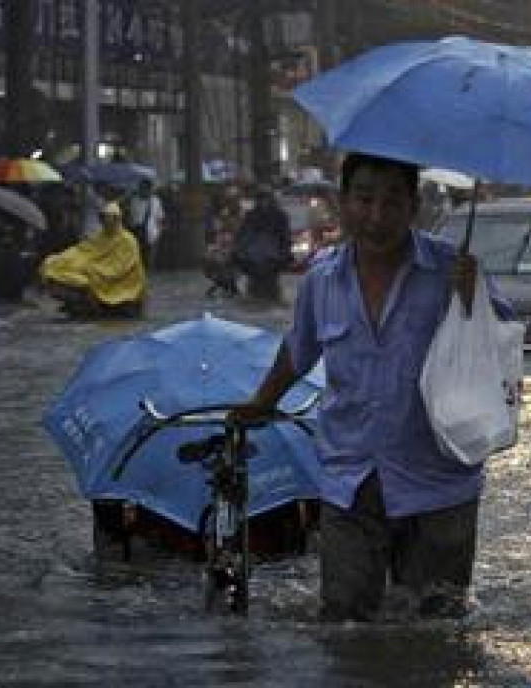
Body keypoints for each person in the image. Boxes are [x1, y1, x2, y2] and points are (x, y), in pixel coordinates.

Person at [231, 152, 509, 621]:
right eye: (364, 200)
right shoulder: (322, 278)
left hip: (439, 483)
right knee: (343, 626)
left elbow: (504, 350)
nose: (376, 217)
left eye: (392, 202)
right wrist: (260, 404)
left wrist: (473, 298)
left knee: (434, 632)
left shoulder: (452, 269)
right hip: (350, 481)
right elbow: (299, 350)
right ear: (343, 202)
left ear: (414, 206)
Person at [39, 201, 146, 319]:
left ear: (117, 219)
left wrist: (93, 269)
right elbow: (84, 250)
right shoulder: (102, 236)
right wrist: (62, 258)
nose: (105, 222)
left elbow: (120, 268)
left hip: (119, 282)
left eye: (108, 219)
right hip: (96, 272)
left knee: (83, 278)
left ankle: (90, 305)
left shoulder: (128, 240)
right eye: (103, 218)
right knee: (58, 265)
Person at [231, 184, 292, 303]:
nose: (263, 202)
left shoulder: (279, 215)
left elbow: (285, 235)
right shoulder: (251, 215)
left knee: (270, 289)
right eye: (261, 199)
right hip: (254, 257)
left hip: (272, 256)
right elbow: (243, 234)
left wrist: (284, 251)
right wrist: (239, 250)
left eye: (266, 199)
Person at [202, 185, 243, 297]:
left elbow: (240, 229)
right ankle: (226, 286)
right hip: (221, 244)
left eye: (234, 199)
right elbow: (215, 228)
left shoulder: (241, 213)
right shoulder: (222, 212)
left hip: (235, 245)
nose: (232, 201)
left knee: (229, 267)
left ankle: (228, 287)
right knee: (211, 264)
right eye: (230, 199)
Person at [127, 178, 165, 269]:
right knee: (136, 255)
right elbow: (129, 216)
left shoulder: (156, 201)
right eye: (141, 188)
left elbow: (160, 217)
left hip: (151, 233)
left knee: (149, 257)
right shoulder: (134, 200)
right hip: (136, 232)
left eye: (145, 188)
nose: (143, 190)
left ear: (150, 189)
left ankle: (147, 272)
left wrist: (159, 232)